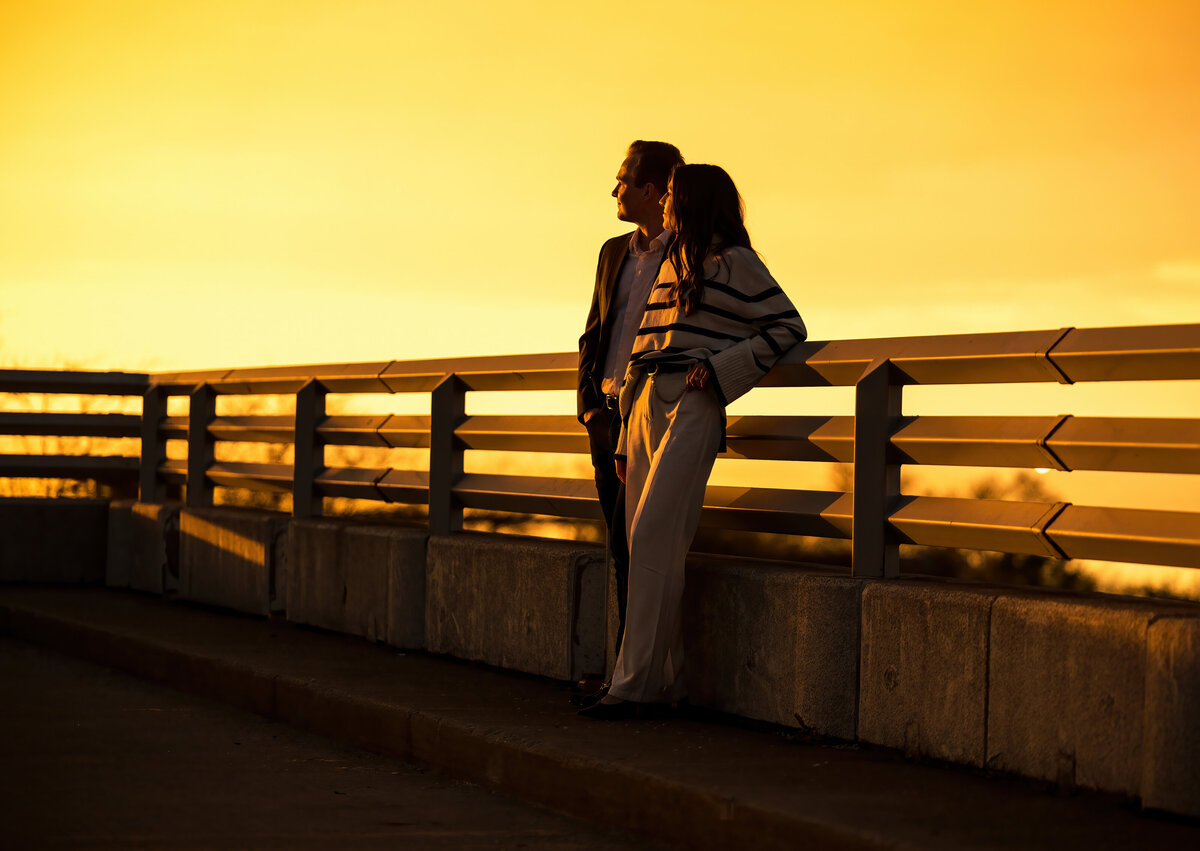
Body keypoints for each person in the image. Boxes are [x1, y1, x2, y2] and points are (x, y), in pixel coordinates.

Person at [579, 163, 807, 719]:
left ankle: (629, 689)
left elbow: (787, 326)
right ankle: (667, 683)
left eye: (675, 196)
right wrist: (621, 439)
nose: (669, 206)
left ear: (695, 202)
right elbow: (642, 346)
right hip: (642, 405)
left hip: (691, 400)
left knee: (654, 534)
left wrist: (722, 366)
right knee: (648, 544)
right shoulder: (674, 264)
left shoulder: (737, 263)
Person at [576, 141, 684, 700]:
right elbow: (593, 332)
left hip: (654, 416)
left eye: (622, 179)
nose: (614, 189)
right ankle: (626, 673)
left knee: (642, 546)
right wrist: (589, 406)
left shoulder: (688, 253)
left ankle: (634, 678)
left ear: (651, 189)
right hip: (608, 416)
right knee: (620, 549)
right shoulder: (612, 251)